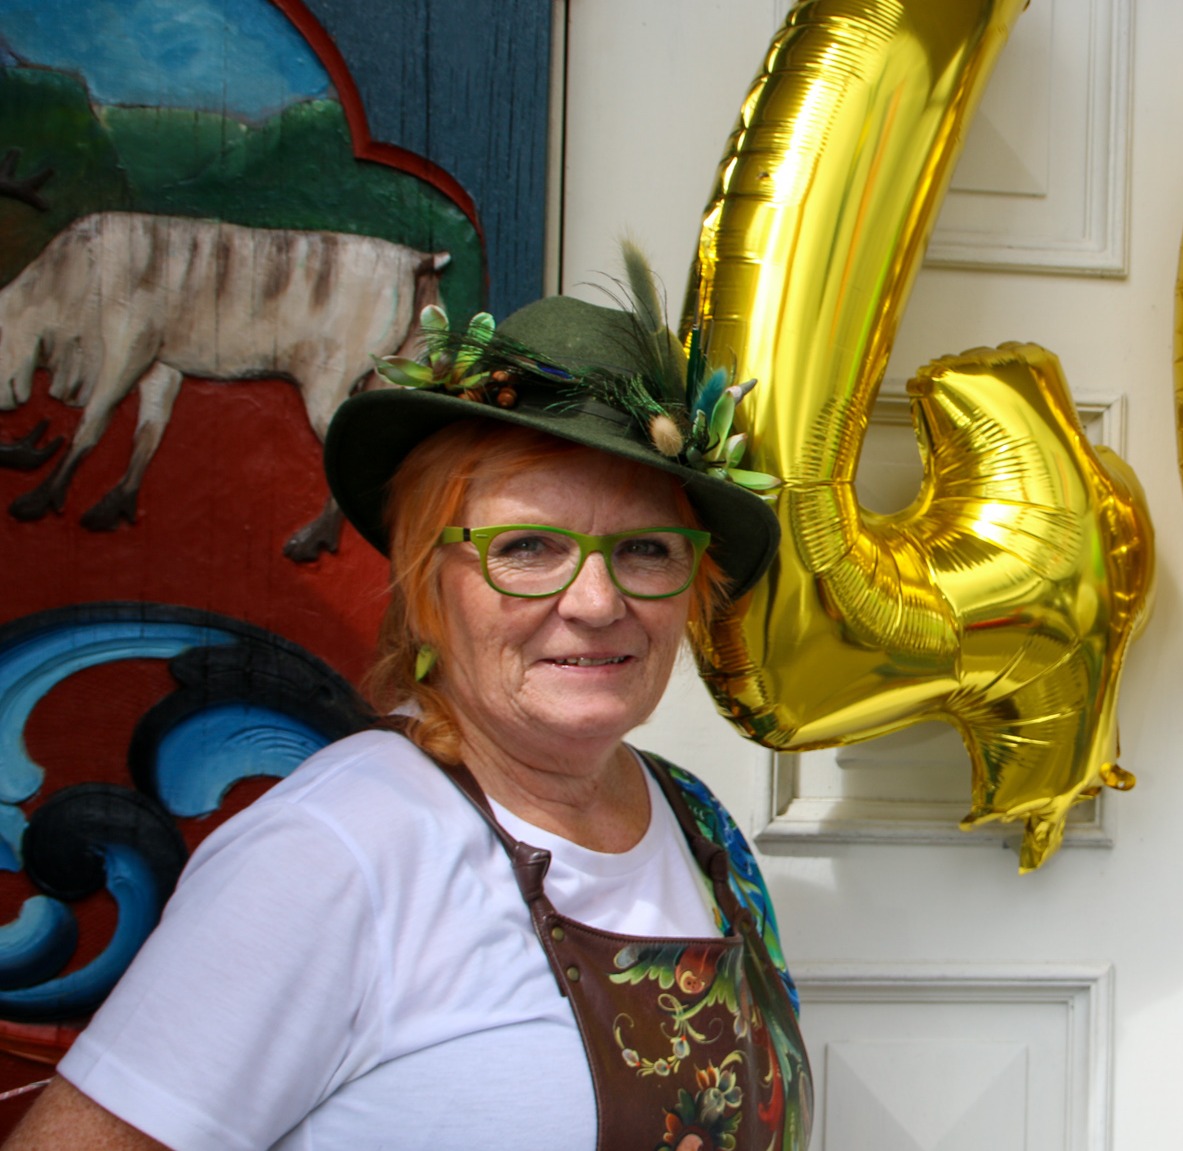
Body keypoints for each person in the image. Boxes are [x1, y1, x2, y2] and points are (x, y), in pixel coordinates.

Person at [3, 266, 811, 1151]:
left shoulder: (699, 826)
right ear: (428, 582)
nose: (595, 600)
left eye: (647, 549)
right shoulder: (333, 850)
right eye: (529, 546)